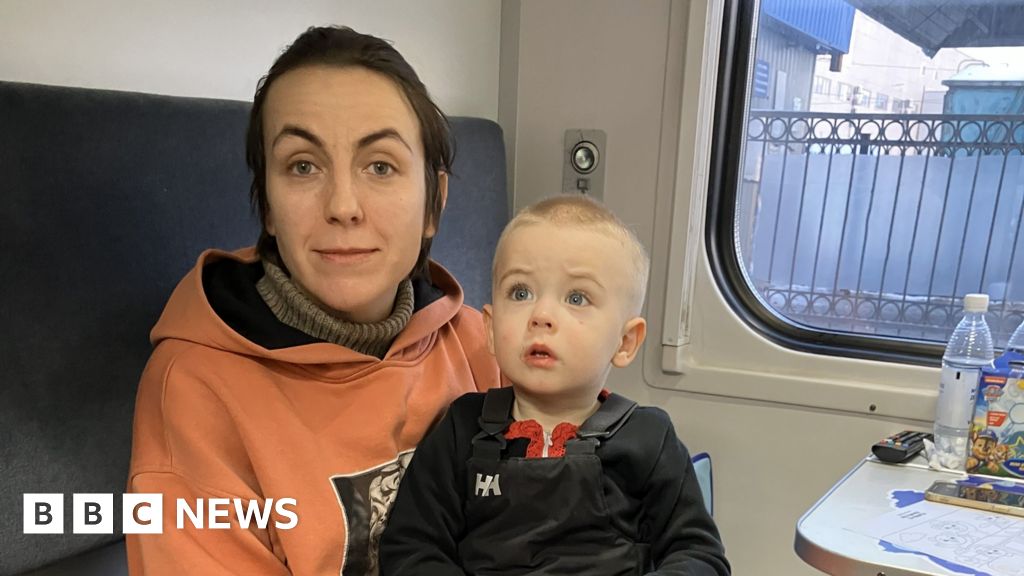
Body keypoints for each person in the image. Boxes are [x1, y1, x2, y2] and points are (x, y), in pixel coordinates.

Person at [127, 26, 499, 575]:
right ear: (269, 207)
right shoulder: (194, 390)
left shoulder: (480, 346)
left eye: (380, 166)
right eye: (303, 166)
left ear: (433, 204)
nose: (343, 206)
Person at [379, 195, 730, 575]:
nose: (541, 315)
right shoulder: (461, 430)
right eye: (521, 293)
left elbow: (699, 555)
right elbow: (411, 547)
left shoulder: (648, 437)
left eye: (577, 298)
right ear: (490, 330)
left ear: (625, 342)